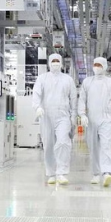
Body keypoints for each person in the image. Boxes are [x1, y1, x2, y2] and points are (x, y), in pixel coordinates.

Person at [33, 53, 76, 185]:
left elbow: (73, 97)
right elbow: (36, 93)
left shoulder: (68, 79)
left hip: (63, 115)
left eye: (58, 61)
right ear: (49, 63)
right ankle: (51, 173)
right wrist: (37, 107)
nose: (56, 63)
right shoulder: (42, 78)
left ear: (61, 63)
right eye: (53, 61)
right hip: (46, 116)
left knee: (63, 142)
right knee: (48, 145)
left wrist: (74, 114)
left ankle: (61, 173)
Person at [78, 57, 111, 187]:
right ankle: (96, 173)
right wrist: (82, 114)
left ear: (105, 67)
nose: (96, 67)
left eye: (99, 65)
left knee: (106, 145)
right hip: (90, 120)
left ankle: (107, 172)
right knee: (93, 147)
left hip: (106, 118)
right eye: (95, 64)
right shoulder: (87, 82)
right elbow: (82, 100)